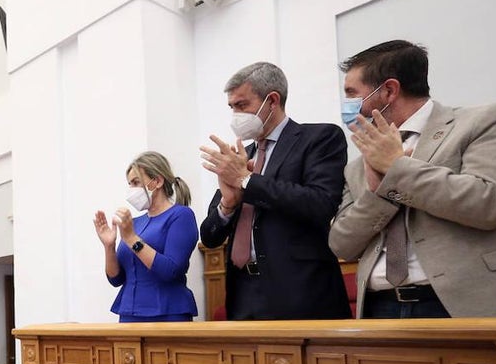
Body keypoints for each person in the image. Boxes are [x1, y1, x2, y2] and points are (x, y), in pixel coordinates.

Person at [329, 39, 496, 318]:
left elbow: (491, 202)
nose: (348, 105)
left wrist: (397, 169)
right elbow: (342, 243)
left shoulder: (488, 121)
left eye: (352, 93)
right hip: (382, 308)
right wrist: (380, 193)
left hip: (475, 304)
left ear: (389, 90)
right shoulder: (357, 167)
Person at [199, 62, 351, 320]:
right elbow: (210, 237)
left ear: (272, 100)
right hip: (242, 292)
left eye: (242, 105)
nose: (235, 114)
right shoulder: (241, 156)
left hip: (300, 292)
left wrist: (248, 181)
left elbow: (320, 204)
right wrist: (227, 205)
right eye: (231, 107)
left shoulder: (319, 138)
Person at [94, 152, 199, 322]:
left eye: (136, 182)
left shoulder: (181, 215)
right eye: (130, 184)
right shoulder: (134, 223)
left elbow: (170, 270)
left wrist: (131, 239)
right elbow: (116, 278)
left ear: (157, 181)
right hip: (130, 313)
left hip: (167, 313)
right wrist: (109, 246)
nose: (132, 190)